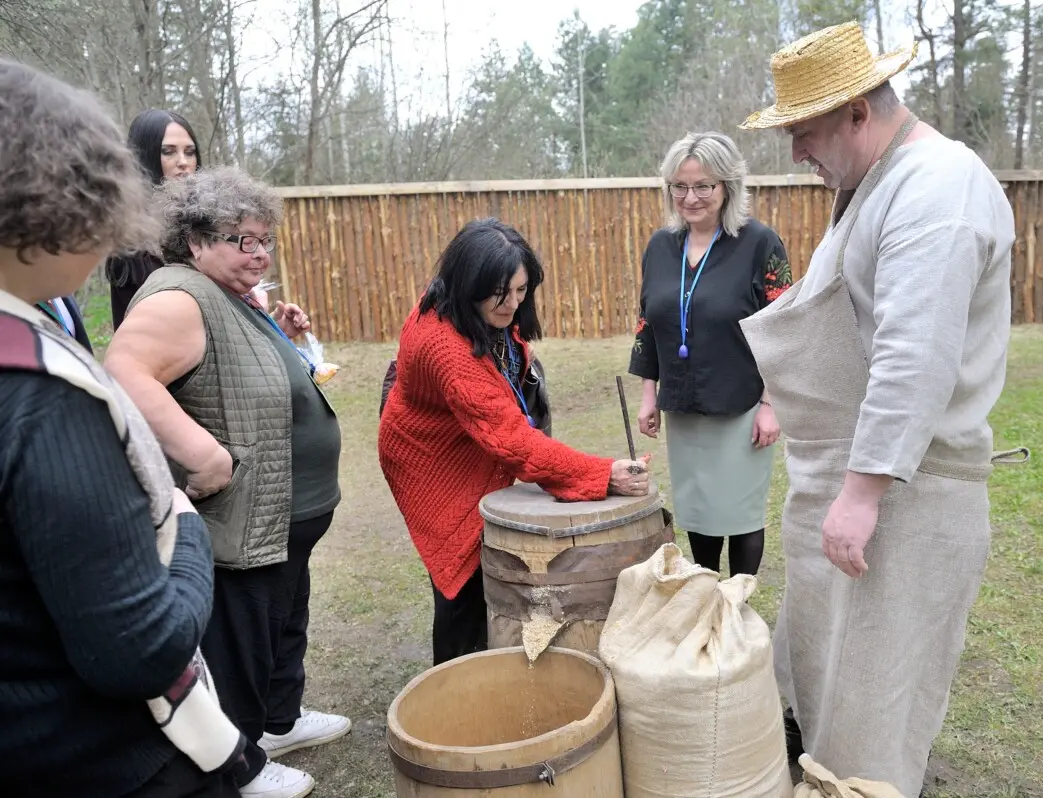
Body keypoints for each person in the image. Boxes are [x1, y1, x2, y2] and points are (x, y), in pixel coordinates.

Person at [737, 22, 1019, 795]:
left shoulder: (936, 189)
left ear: (858, 111)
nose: (796, 152)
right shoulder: (876, 184)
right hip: (853, 489)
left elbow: (914, 354)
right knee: (823, 687)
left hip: (907, 499)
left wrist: (861, 496)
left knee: (872, 717)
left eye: (805, 132)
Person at [0, 58, 239, 797]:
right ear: (50, 203)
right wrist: (187, 528)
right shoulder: (41, 399)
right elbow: (140, 650)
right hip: (101, 762)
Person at [105, 166, 348, 798]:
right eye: (243, 240)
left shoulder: (229, 295)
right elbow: (123, 370)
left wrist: (284, 340)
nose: (260, 252)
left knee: (282, 624)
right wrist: (204, 458)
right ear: (195, 241)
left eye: (265, 239)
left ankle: (280, 723)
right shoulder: (179, 296)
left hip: (287, 514)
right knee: (241, 645)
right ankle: (242, 767)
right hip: (244, 517)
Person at [378, 218, 652, 667]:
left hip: (470, 433)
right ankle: (456, 682)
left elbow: (508, 382)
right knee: (460, 581)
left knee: (484, 563)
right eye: (499, 295)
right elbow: (512, 441)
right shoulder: (444, 348)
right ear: (468, 284)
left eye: (521, 291)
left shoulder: (471, 303)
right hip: (431, 460)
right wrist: (603, 473)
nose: (512, 305)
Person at [628, 131, 790, 578]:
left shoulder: (760, 243)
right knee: (697, 513)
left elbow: (783, 329)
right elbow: (649, 321)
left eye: (703, 186)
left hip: (741, 405)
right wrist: (648, 394)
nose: (690, 197)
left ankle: (735, 607)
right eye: (679, 186)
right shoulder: (661, 246)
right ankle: (704, 597)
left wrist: (771, 405)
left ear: (727, 187)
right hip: (682, 406)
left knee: (739, 517)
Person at [105, 108, 202, 330]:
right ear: (145, 156)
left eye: (190, 152)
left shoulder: (207, 221)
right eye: (168, 151)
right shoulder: (131, 235)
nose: (183, 162)